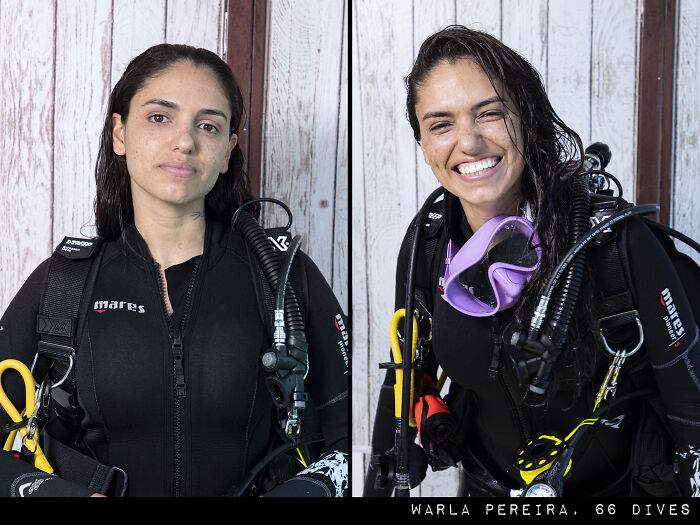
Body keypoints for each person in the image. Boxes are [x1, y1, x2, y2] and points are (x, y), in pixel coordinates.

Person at [364, 25, 700, 497]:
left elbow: (692, 401)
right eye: (441, 124)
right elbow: (404, 379)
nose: (469, 142)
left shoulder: (612, 243)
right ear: (422, 143)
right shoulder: (427, 245)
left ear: (528, 117)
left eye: (490, 114)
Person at [0, 44, 349, 497]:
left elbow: (350, 436)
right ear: (119, 133)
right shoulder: (62, 283)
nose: (185, 141)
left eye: (208, 125)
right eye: (159, 117)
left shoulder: (282, 276)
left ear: (227, 152)